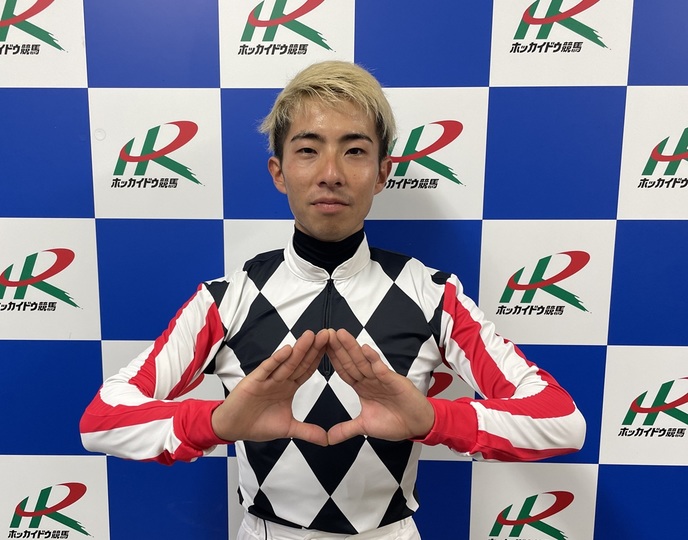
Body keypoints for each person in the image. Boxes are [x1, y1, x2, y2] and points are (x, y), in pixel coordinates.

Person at [80, 60, 586, 539]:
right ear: (278, 171)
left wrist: (435, 420)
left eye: (354, 150)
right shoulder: (227, 298)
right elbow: (102, 420)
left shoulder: (432, 293)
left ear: (383, 172)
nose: (331, 173)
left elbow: (561, 421)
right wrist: (216, 423)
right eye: (308, 149)